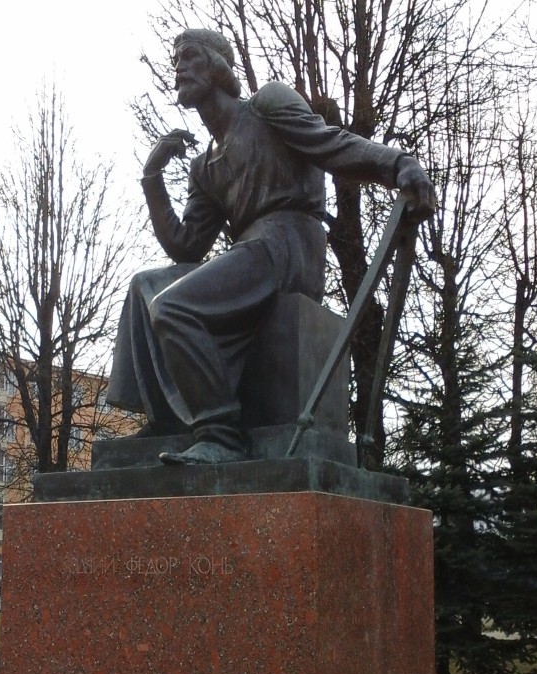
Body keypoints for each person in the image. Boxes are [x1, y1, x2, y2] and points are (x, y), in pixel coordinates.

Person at [106, 28, 435, 465]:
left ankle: (221, 434)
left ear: (219, 65)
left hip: (290, 245)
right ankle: (169, 420)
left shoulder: (267, 103)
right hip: (252, 252)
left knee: (172, 307)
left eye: (189, 57)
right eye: (175, 62)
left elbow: (330, 144)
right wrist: (152, 179)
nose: (179, 68)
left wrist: (397, 164)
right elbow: (187, 247)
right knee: (142, 286)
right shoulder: (206, 165)